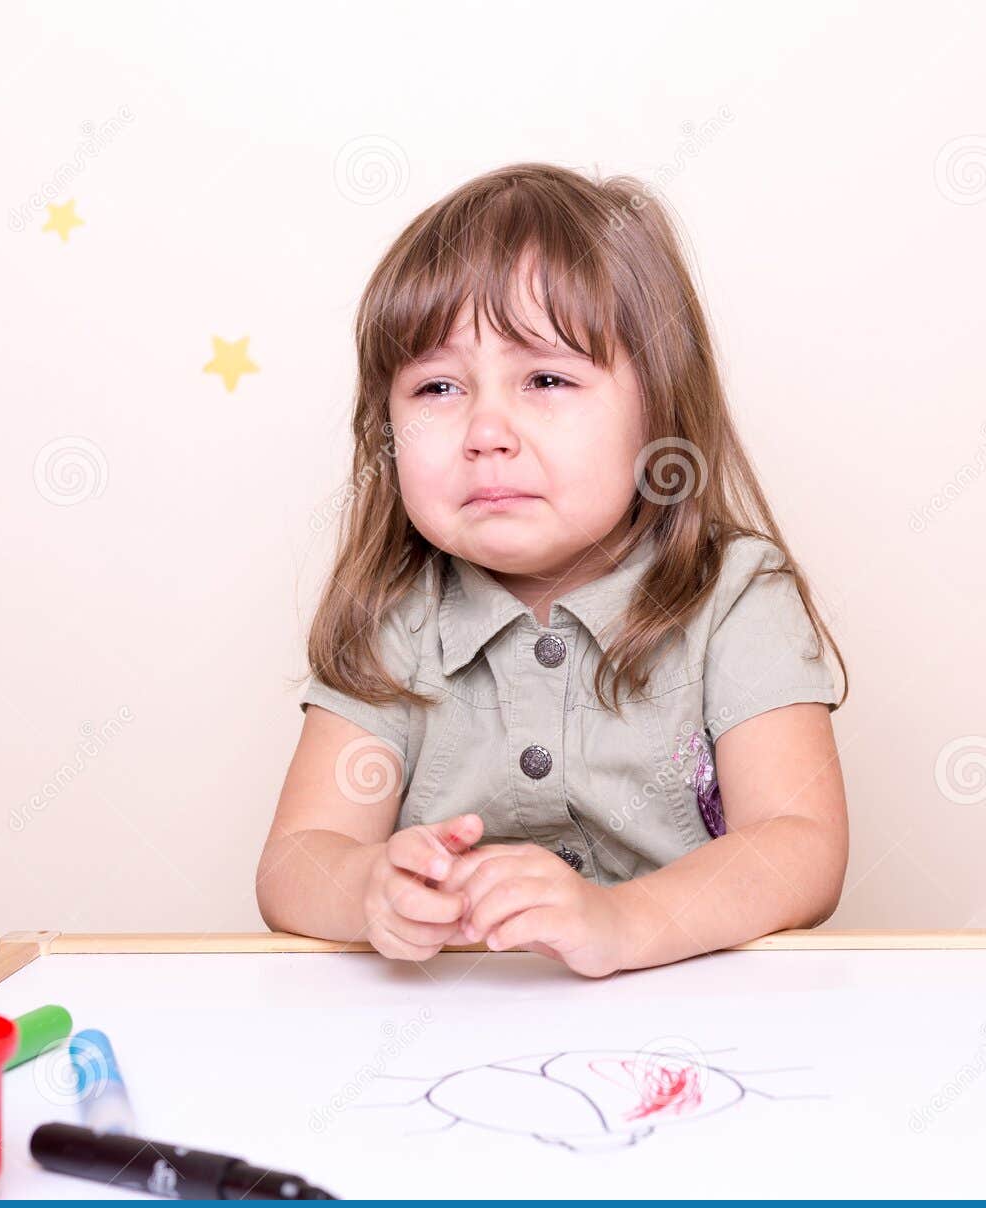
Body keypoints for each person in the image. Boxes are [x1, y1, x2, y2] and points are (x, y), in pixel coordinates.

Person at [258, 161, 849, 977]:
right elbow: (295, 862)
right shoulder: (397, 617)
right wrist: (366, 887)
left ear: (660, 409)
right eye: (436, 386)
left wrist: (621, 921)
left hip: (696, 1032)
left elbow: (802, 846)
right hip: (450, 1039)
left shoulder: (735, 595)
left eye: (546, 378)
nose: (485, 430)